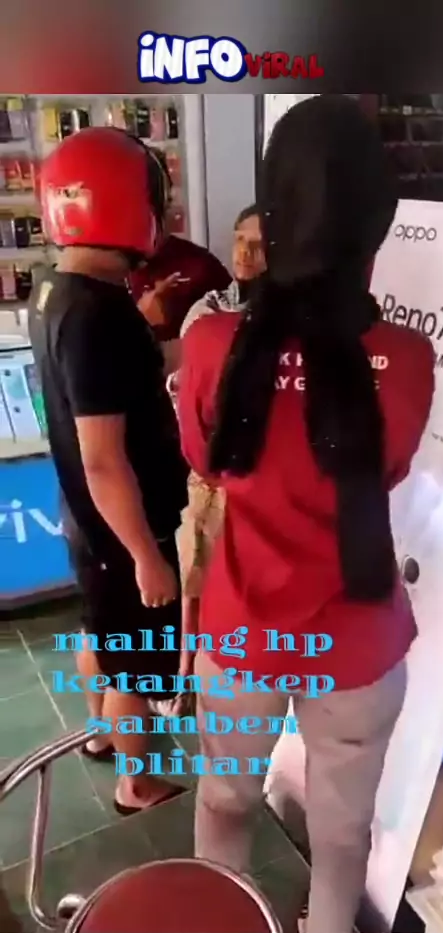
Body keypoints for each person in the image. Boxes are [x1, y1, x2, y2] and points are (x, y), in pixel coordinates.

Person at [178, 96, 435, 933]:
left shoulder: (211, 345)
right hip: (358, 648)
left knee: (223, 806)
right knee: (342, 841)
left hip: (241, 638)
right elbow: (387, 469)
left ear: (271, 217)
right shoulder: (408, 360)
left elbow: (205, 459)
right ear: (378, 225)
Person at [28, 128, 189, 815]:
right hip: (124, 527)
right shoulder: (99, 313)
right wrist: (147, 557)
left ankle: (98, 734)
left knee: (101, 632)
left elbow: (112, 392)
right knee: (135, 664)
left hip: (87, 520)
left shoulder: (56, 290)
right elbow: (104, 457)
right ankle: (137, 783)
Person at [175, 204, 266, 679]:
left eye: (259, 244)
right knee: (194, 582)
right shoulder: (207, 311)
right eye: (239, 240)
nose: (245, 253)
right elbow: (185, 392)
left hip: (262, 483)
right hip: (208, 475)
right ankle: (186, 678)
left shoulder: (294, 321)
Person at [130, 148, 231, 370]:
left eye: (163, 202)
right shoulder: (104, 274)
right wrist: (140, 321)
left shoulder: (200, 265)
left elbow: (234, 341)